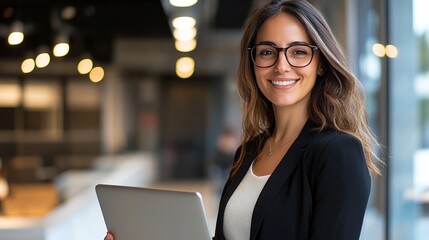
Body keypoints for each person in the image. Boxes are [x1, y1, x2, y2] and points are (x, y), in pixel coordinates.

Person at [104, 0, 381, 240]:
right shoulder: (249, 150)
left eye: (298, 51)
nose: (281, 65)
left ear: (320, 63)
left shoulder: (338, 154)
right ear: (254, 63)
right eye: (267, 52)